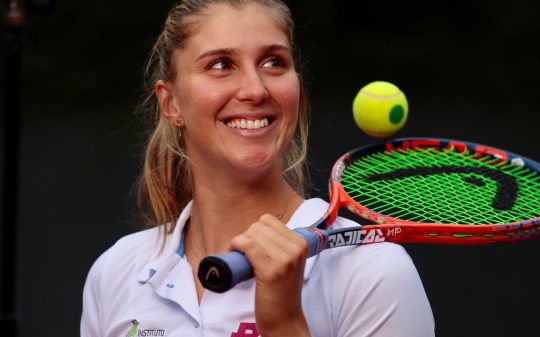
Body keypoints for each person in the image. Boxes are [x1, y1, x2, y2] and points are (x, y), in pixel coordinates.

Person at [80, 0, 435, 336]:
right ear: (171, 103)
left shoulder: (373, 272)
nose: (255, 89)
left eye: (273, 62)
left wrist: (284, 325)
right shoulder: (115, 273)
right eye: (220, 65)